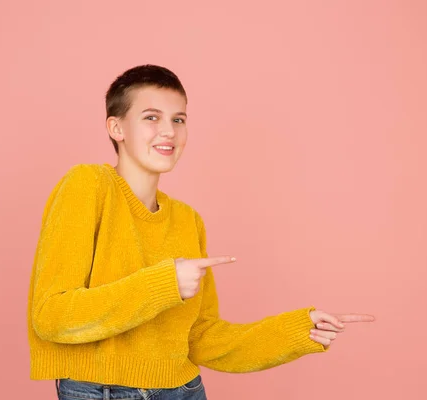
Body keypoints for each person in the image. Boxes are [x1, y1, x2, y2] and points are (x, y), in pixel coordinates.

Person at [27, 64, 375, 400]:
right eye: (152, 117)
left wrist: (299, 330)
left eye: (179, 120)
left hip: (185, 389)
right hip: (104, 391)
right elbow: (51, 316)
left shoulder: (188, 220)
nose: (169, 131)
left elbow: (202, 339)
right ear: (117, 128)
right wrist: (165, 284)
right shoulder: (87, 185)